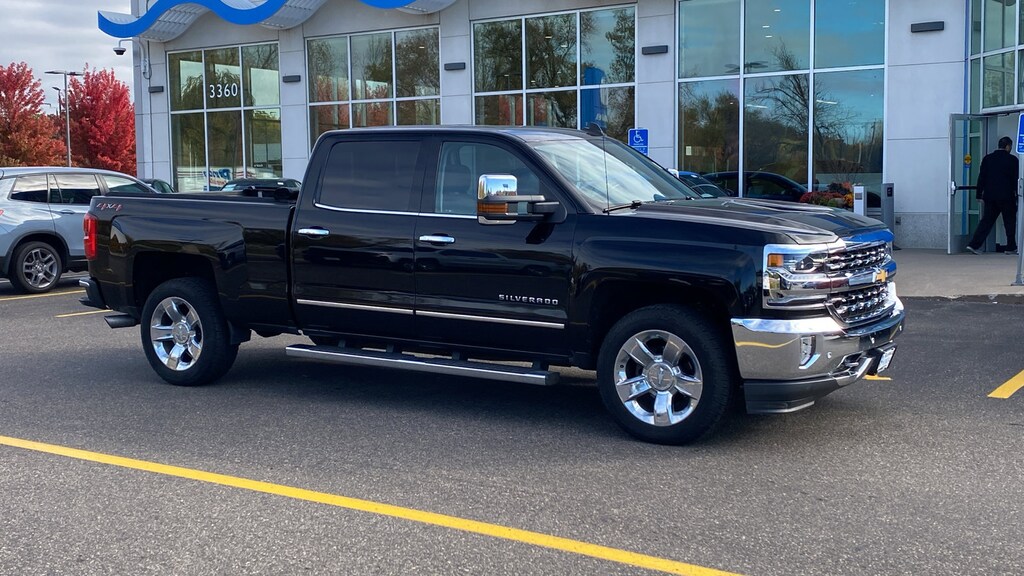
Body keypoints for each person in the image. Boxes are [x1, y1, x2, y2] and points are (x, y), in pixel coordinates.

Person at [966, 136, 1019, 255]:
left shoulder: (988, 159)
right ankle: (1010, 246)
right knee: (1009, 222)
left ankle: (974, 244)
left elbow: (982, 177)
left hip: (990, 196)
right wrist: (1018, 194)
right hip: (1006, 196)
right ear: (1008, 146)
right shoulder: (1012, 160)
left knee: (986, 221)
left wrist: (979, 194)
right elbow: (1015, 179)